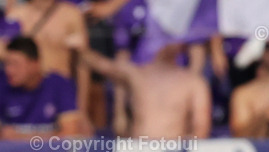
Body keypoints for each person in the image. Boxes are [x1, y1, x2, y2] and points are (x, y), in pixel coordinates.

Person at [69, 38, 211, 139]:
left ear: (182, 45)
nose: (166, 45)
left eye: (170, 38)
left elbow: (200, 130)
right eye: (162, 37)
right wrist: (78, 47)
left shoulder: (193, 83)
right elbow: (102, 65)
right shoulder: (137, 75)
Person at [6, 0, 89, 110]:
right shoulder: (16, 15)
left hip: (59, 93)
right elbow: (6, 55)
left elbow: (82, 64)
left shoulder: (71, 15)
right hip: (26, 95)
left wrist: (82, 108)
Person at [0, 35, 86, 139]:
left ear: (35, 64)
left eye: (15, 64)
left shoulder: (59, 84)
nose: (9, 70)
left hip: (50, 150)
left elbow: (71, 133)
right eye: (7, 64)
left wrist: (21, 137)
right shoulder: (3, 83)